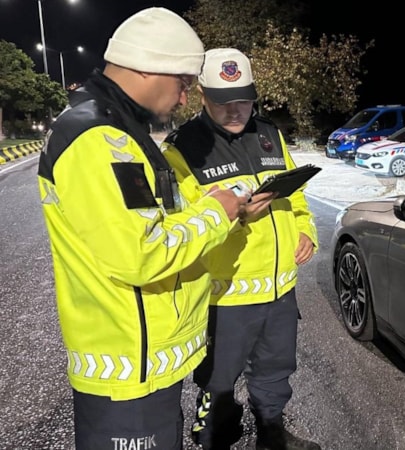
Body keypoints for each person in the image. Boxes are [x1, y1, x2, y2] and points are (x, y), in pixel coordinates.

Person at [36, 8, 248, 450]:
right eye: (184, 83)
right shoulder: (97, 137)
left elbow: (153, 218)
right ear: (152, 67)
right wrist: (216, 215)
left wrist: (208, 205)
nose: (185, 99)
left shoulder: (120, 130)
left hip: (143, 362)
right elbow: (141, 252)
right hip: (128, 371)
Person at [161, 48, 320, 450]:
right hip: (225, 297)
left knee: (275, 370)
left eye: (244, 100)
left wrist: (305, 230)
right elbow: (179, 228)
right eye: (222, 102)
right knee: (218, 381)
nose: (235, 111)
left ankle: (272, 435)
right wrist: (237, 215)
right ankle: (214, 439)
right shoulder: (183, 151)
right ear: (201, 96)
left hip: (280, 290)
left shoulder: (270, 135)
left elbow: (296, 198)